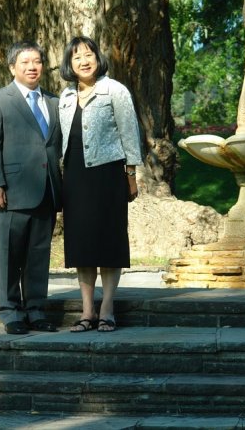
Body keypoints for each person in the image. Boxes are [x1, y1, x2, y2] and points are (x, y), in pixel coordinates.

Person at [0, 41, 62, 335]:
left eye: (37, 61)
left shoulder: (54, 101)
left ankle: (36, 309)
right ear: (12, 67)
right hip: (10, 192)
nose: (32, 67)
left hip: (47, 189)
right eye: (25, 62)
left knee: (38, 256)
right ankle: (10, 311)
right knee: (9, 254)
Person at [59, 36, 142, 332]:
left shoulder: (114, 90)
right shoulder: (66, 96)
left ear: (98, 57)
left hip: (108, 176)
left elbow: (129, 133)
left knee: (109, 242)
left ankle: (107, 307)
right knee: (81, 246)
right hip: (76, 177)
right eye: (77, 56)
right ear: (69, 63)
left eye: (89, 54)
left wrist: (131, 175)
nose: (84, 60)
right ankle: (87, 310)